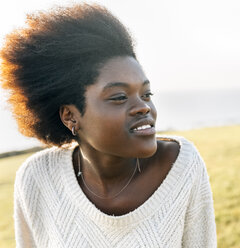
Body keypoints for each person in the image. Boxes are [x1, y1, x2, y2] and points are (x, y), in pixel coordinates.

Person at [0, 3, 217, 247]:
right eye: (119, 97)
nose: (143, 107)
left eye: (146, 94)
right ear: (71, 116)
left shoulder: (181, 165)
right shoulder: (36, 178)